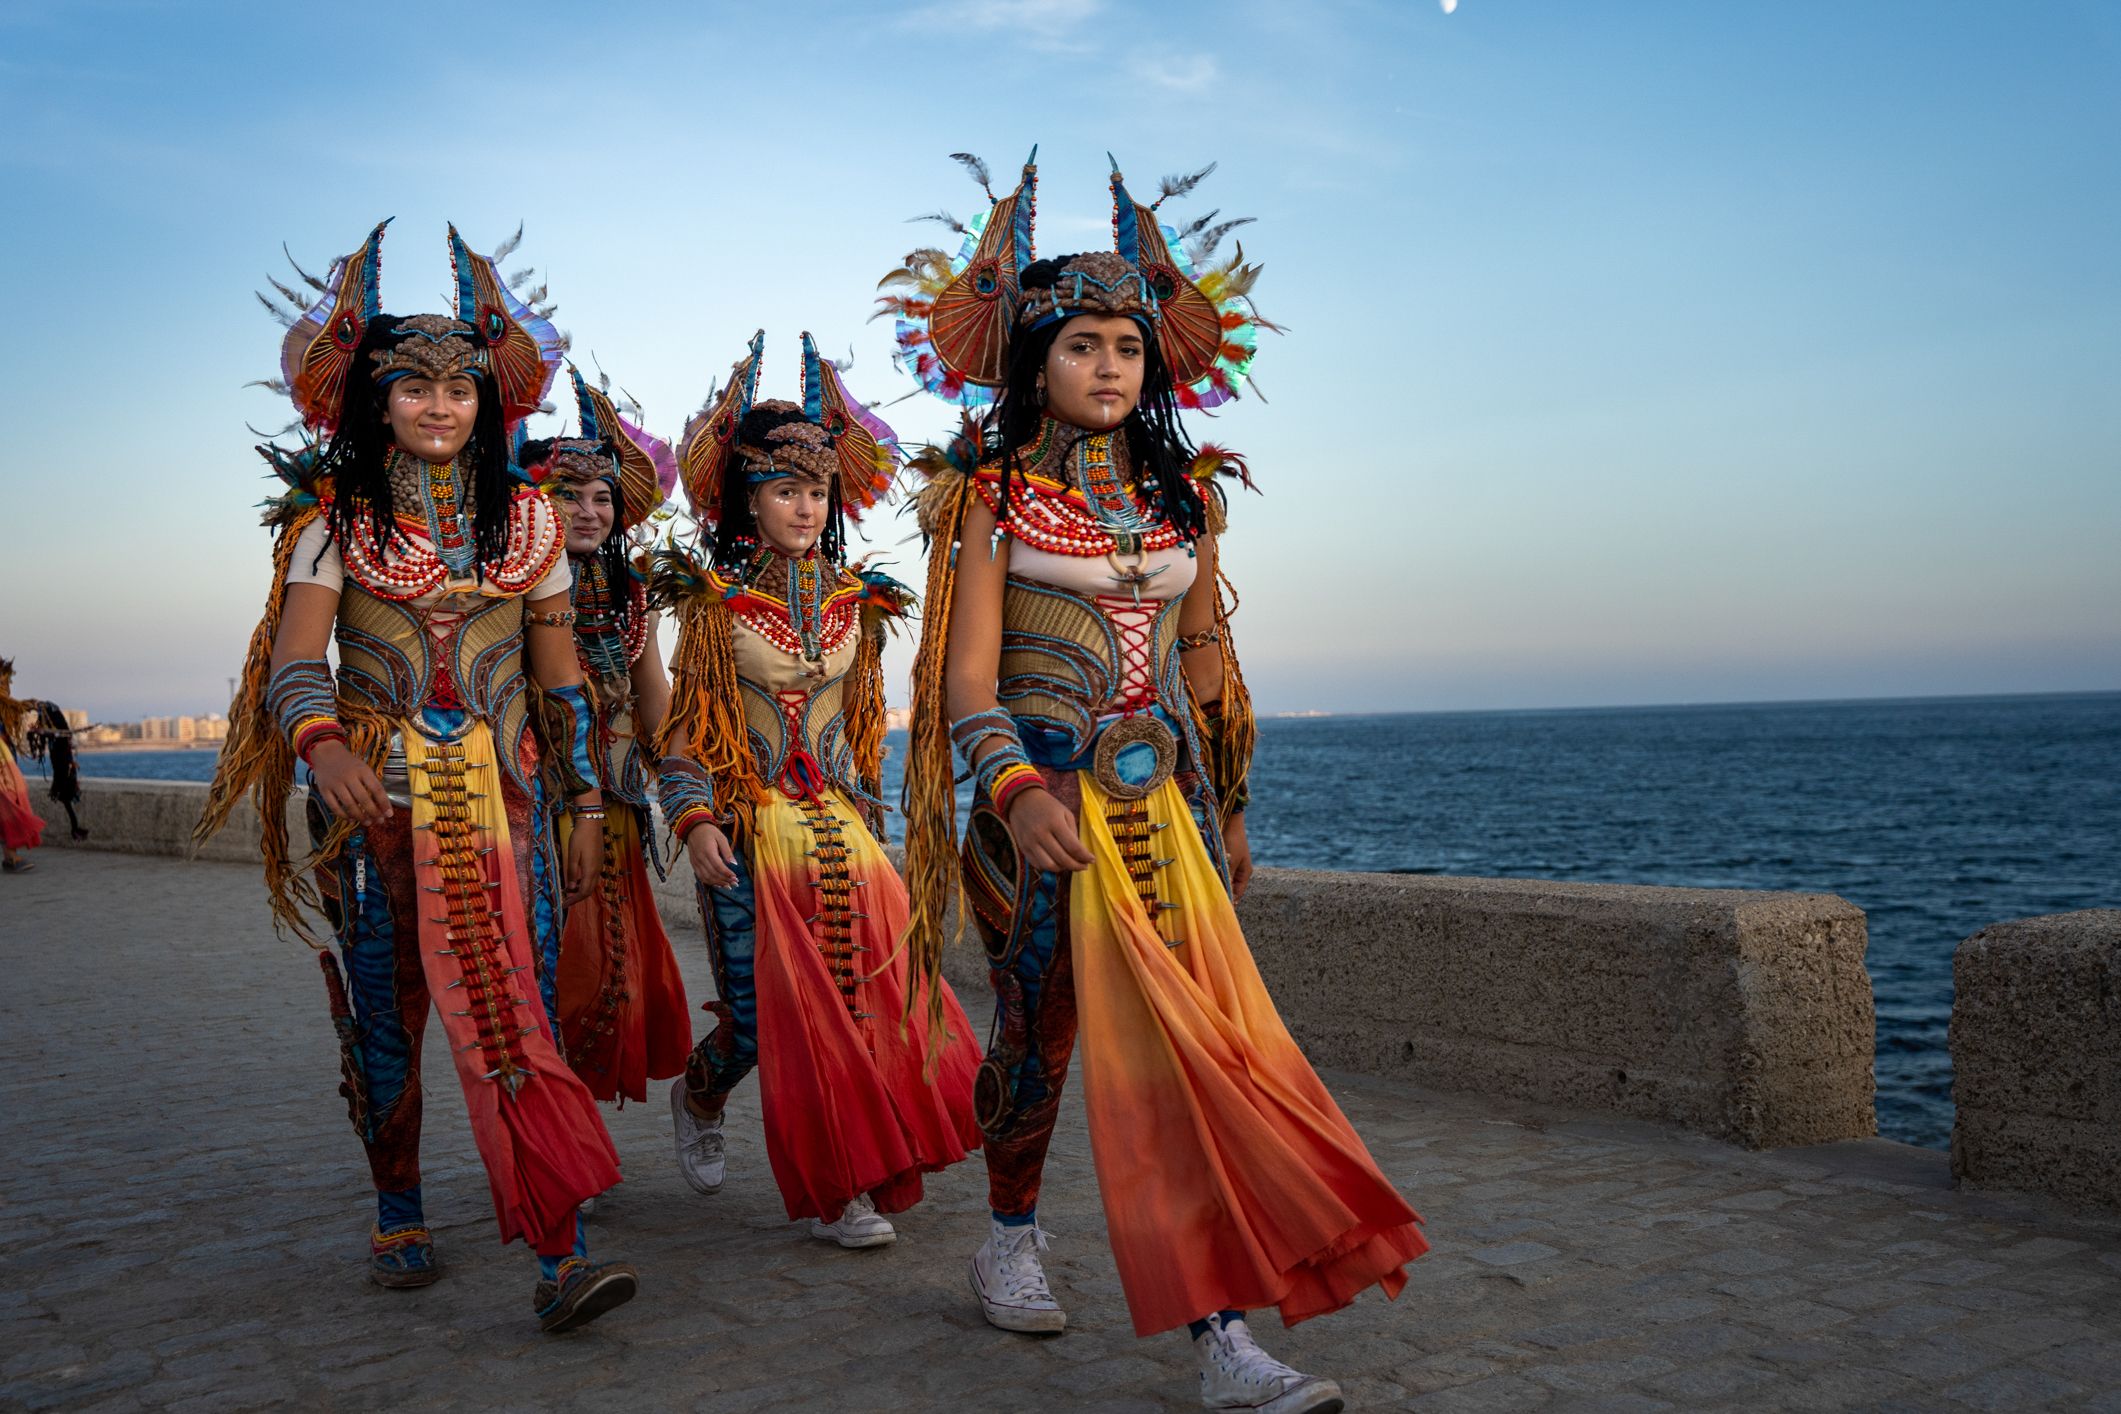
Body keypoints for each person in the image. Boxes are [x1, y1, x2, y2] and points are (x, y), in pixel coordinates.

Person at [885, 152, 1428, 1413]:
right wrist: (1017, 792)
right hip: (1040, 817)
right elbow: (964, 681)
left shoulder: (1188, 499)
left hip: (1167, 820)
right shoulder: (992, 496)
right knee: (1043, 1040)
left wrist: (1230, 804)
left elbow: (1210, 663)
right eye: (1083, 343)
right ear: (1035, 360)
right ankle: (1009, 1234)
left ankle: (1220, 1333)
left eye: (1129, 343)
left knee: (1191, 1058)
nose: (1111, 366)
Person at [198, 222, 636, 1332]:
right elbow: (297, 668)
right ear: (373, 402)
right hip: (376, 809)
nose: (442, 406)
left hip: (506, 808)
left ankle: (559, 1247)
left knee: (517, 1006)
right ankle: (399, 1196)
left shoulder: (529, 519)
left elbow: (563, 685)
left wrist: (584, 799)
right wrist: (327, 747)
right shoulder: (331, 522)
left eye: (462, 388)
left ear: (490, 401)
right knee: (391, 1015)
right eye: (415, 387)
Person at [651, 330, 983, 1249]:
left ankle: (847, 1187)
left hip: (839, 832)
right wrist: (693, 820)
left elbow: (863, 736)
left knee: (865, 1003)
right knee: (761, 1025)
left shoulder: (858, 606)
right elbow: (683, 735)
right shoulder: (714, 606)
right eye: (784, 490)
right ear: (746, 500)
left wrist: (877, 833)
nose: (804, 506)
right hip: (750, 833)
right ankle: (701, 1091)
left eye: (816, 490)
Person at [520, 368, 692, 1130]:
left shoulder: (630, 591)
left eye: (601, 498)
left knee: (609, 975)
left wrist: (699, 788)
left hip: (617, 810)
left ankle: (578, 1133)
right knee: (554, 972)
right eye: (569, 495)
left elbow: (655, 707)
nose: (588, 512)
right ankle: (561, 1136)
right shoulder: (512, 582)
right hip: (538, 806)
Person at [0, 659, 45, 872]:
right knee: (8, 801)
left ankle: (10, 855)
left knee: (10, 800)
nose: (7, 688)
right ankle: (10, 856)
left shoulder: (6, 707)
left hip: (5, 760)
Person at [26, 699, 89, 841]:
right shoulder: (55, 729)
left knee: (66, 797)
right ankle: (75, 829)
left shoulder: (58, 732)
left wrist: (40, 732)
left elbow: (54, 734)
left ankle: (75, 829)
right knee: (66, 798)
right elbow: (49, 734)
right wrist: (38, 732)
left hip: (63, 768)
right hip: (61, 768)